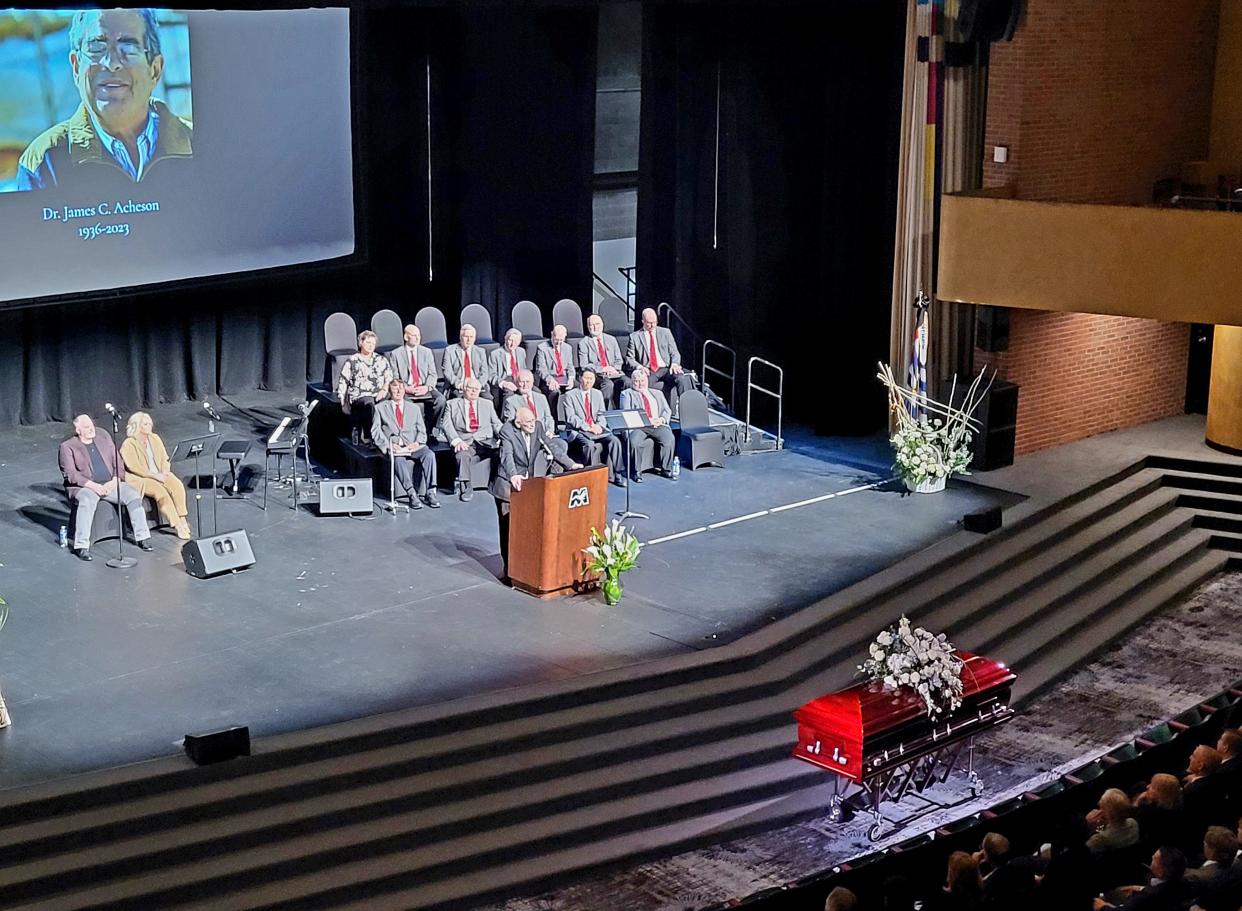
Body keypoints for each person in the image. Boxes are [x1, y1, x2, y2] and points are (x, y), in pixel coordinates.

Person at [17, 9, 192, 191]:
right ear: (76, 67)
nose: (111, 62)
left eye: (128, 48)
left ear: (155, 69)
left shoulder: (197, 144)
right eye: (96, 48)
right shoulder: (45, 161)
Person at [489, 405, 580, 580]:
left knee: (524, 526)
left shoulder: (537, 426)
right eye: (527, 422)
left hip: (527, 484)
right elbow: (506, 455)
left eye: (532, 420)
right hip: (506, 484)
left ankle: (522, 565)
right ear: (518, 423)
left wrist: (570, 464)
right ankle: (509, 569)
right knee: (508, 527)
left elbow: (552, 446)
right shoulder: (507, 431)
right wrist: (513, 474)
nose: (531, 424)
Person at [58, 413, 153, 561]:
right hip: (85, 487)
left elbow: (119, 464)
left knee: (133, 495)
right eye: (87, 427)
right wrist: (93, 486)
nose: (91, 429)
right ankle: (81, 545)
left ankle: (142, 537)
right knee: (87, 501)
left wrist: (114, 481)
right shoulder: (68, 447)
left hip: (110, 484)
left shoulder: (104, 441)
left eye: (91, 425)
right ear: (78, 430)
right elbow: (70, 474)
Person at [119, 411, 190, 539]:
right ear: (138, 426)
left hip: (159, 473)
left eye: (150, 422)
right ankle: (177, 525)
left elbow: (164, 458)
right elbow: (134, 467)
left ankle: (182, 517)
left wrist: (164, 471)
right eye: (146, 423)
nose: (150, 425)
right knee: (161, 492)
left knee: (177, 485)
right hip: (141, 478)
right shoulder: (128, 444)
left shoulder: (154, 438)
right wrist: (155, 476)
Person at [371, 379, 439, 510]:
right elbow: (376, 432)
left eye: (400, 389)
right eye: (395, 389)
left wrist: (417, 443)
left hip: (413, 446)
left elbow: (422, 431)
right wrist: (388, 446)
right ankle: (411, 493)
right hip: (394, 447)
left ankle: (430, 493)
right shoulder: (380, 408)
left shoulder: (414, 408)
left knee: (429, 455)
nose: (398, 391)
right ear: (390, 391)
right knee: (398, 460)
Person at [440, 377, 502, 501]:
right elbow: (446, 425)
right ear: (463, 389)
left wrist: (504, 436)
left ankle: (497, 484)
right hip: (465, 442)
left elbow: (496, 423)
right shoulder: (451, 404)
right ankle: (466, 485)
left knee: (503, 451)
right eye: (470, 389)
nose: (473, 392)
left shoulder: (487, 404)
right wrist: (456, 440)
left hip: (485, 441)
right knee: (461, 455)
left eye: (476, 389)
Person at [625, 307, 695, 414]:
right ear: (643, 321)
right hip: (649, 369)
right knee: (645, 385)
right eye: (649, 323)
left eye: (654, 322)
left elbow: (674, 352)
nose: (653, 325)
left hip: (666, 368)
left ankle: (688, 412)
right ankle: (652, 414)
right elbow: (629, 359)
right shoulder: (634, 337)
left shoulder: (665, 332)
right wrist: (640, 367)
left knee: (681, 378)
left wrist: (675, 364)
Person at [563, 369, 624, 486]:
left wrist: (600, 426)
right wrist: (588, 427)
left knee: (614, 440)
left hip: (597, 428)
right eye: (586, 378)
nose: (588, 381)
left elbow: (602, 413)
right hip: (579, 430)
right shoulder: (570, 395)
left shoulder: (597, 394)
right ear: (580, 378)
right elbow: (571, 418)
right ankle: (590, 475)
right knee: (589, 445)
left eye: (591, 379)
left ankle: (618, 474)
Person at [336, 330, 393, 445]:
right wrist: (343, 402)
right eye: (368, 343)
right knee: (369, 403)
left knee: (392, 400)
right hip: (360, 395)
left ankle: (390, 434)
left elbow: (389, 377)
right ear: (361, 343)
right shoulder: (352, 361)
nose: (371, 346)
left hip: (379, 393)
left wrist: (384, 389)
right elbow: (343, 381)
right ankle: (369, 436)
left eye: (373, 343)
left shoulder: (381, 360)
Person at [619, 366, 675, 481]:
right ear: (632, 381)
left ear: (647, 380)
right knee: (634, 442)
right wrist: (647, 421)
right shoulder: (626, 394)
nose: (640, 384)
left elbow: (667, 410)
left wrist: (662, 419)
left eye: (642, 381)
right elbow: (627, 414)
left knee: (669, 438)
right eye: (636, 381)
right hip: (639, 427)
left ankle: (666, 469)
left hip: (657, 424)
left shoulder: (657, 393)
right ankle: (636, 472)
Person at [388, 324, 445, 433]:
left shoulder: (427, 352)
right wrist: (405, 388)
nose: (418, 338)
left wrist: (427, 387)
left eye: (419, 335)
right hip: (406, 389)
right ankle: (413, 431)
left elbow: (433, 374)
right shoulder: (396, 354)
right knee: (409, 405)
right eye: (414, 335)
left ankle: (430, 429)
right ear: (406, 337)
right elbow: (394, 377)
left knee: (441, 400)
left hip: (424, 387)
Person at [1094, 846, 1190, 910]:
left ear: (1161, 872)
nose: (1152, 856)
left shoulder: (1148, 897)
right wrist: (1141, 888)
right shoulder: (1184, 882)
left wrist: (1102, 906)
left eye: (1155, 859)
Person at [577, 314, 627, 406]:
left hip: (614, 372)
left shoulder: (611, 339)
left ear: (602, 324)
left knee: (628, 382)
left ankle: (624, 412)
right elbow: (584, 365)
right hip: (597, 375)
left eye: (598, 324)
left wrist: (613, 369)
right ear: (588, 327)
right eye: (592, 325)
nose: (595, 327)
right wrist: (602, 369)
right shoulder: (583, 343)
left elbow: (619, 360)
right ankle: (602, 413)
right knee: (608, 386)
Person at [534, 324, 576, 417]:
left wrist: (571, 378)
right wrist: (550, 380)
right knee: (554, 392)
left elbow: (570, 366)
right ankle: (554, 420)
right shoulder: (542, 348)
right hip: (550, 378)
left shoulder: (567, 348)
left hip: (563, 377)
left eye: (561, 340)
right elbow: (541, 369)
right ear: (552, 335)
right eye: (556, 339)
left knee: (579, 387)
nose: (558, 343)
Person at [442, 325, 492, 399]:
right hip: (458, 386)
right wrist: (459, 384)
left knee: (488, 399)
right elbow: (447, 372)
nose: (469, 340)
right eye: (466, 336)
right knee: (460, 400)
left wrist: (478, 384)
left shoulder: (480, 351)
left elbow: (484, 372)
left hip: (476, 385)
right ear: (460, 337)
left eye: (471, 337)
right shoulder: (449, 351)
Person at [1087, 788, 1140, 855]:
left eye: (1101, 807)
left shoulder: (1100, 839)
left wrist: (1088, 825)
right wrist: (1099, 827)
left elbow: (1084, 851)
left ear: (1107, 813)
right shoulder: (1133, 823)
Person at [488, 328, 528, 404]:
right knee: (510, 396)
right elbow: (491, 375)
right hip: (505, 379)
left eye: (516, 341)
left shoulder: (521, 352)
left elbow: (524, 370)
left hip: (519, 378)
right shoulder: (495, 354)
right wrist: (504, 383)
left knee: (536, 393)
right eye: (510, 340)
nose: (512, 344)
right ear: (505, 339)